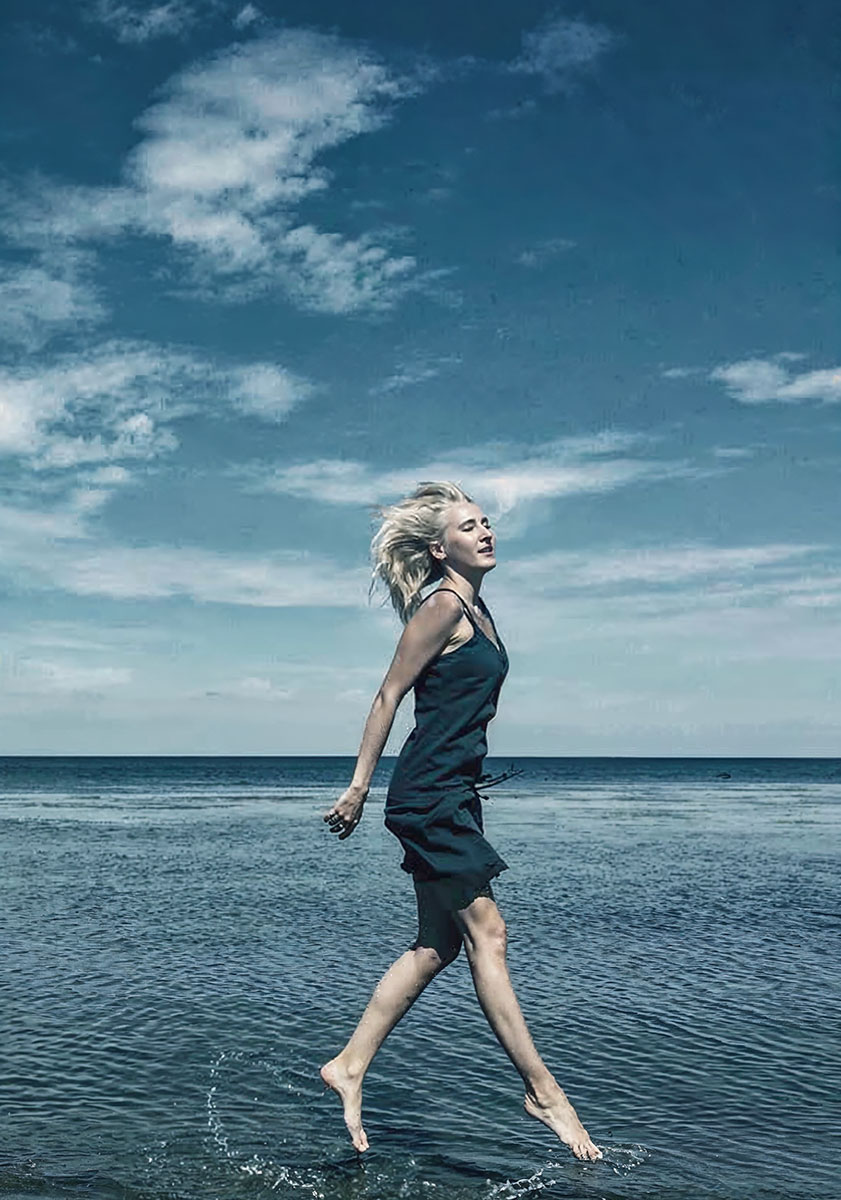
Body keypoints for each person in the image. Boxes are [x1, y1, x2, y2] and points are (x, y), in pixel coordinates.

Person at [319, 481, 601, 1162]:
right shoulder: (443, 606)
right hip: (429, 797)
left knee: (435, 945)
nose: (485, 531)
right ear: (439, 548)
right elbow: (388, 695)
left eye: (485, 521)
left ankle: (349, 1065)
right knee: (488, 934)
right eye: (468, 526)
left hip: (453, 793)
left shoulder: (480, 609)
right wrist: (358, 788)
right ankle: (543, 1093)